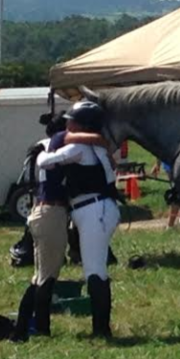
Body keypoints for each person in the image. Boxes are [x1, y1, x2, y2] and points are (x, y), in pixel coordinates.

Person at [11, 113, 108, 343]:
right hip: (51, 213)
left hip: (43, 211)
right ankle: (25, 329)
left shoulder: (42, 147)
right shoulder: (61, 144)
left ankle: (34, 326)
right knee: (46, 276)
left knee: (42, 274)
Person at [38, 100, 121, 338]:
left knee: (95, 270)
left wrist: (46, 147)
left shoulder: (79, 148)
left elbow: (45, 161)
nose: (68, 126)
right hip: (94, 208)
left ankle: (102, 329)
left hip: (93, 208)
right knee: (94, 269)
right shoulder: (94, 146)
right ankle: (100, 327)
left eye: (71, 122)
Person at [151, 160, 180, 229]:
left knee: (177, 192)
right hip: (171, 163)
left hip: (177, 162)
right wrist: (157, 164)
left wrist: (158, 164)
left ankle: (171, 224)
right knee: (179, 190)